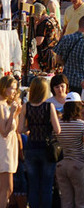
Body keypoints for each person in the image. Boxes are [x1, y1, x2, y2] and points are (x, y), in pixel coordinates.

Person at [17, 77, 61, 208]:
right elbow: (57, 129)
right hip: (46, 148)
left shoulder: (26, 106)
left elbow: (20, 129)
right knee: (47, 185)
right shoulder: (49, 106)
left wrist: (31, 127)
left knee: (34, 184)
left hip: (31, 147)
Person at [56, 92, 84, 208]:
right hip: (79, 165)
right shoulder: (82, 125)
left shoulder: (58, 124)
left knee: (66, 202)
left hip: (62, 165)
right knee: (82, 203)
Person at [54, 15, 84, 93]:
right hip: (83, 84)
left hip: (67, 82)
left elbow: (57, 59)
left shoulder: (66, 38)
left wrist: (66, 63)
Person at [0, 76, 19, 208]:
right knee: (6, 189)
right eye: (11, 88)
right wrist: (12, 113)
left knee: (9, 189)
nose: (14, 91)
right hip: (4, 148)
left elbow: (15, 128)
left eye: (15, 88)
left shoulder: (6, 104)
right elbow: (4, 131)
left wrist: (16, 112)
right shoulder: (1, 105)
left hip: (10, 147)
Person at [33, 3, 60, 73]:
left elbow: (38, 41)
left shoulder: (43, 24)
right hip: (56, 53)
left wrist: (35, 28)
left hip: (47, 56)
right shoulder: (53, 20)